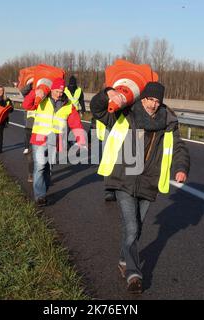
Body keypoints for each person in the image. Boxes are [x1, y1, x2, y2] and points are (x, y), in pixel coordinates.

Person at [90, 82, 190, 294]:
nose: (152, 105)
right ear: (142, 98)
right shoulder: (125, 114)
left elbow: (179, 147)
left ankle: (123, 259)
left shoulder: (167, 122)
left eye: (156, 101)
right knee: (132, 226)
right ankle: (134, 274)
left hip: (149, 181)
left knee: (137, 227)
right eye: (149, 99)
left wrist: (181, 167)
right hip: (123, 178)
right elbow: (97, 109)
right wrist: (108, 92)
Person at [23, 78, 87, 207]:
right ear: (52, 89)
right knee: (40, 166)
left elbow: (76, 123)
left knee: (49, 168)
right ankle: (40, 196)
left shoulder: (68, 105)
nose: (59, 93)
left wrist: (81, 139)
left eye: (61, 91)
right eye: (57, 91)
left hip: (56, 140)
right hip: (39, 138)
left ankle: (43, 190)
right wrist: (36, 92)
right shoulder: (42, 99)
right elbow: (26, 105)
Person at [20, 82, 35, 183]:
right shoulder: (29, 94)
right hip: (29, 126)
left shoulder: (45, 95)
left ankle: (44, 174)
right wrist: (31, 84)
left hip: (42, 129)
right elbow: (23, 91)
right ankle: (30, 174)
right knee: (31, 154)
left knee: (43, 154)